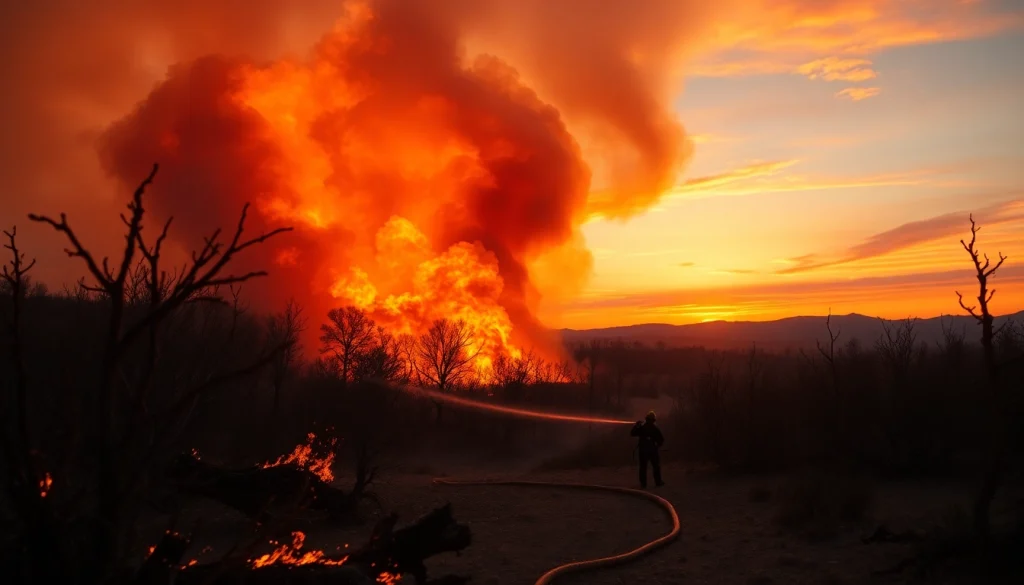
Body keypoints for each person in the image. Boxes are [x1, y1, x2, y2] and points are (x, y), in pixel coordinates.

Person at [630, 410, 664, 488]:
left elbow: (632, 433)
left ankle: (643, 484)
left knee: (643, 467)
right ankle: (658, 482)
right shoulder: (655, 428)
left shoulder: (642, 427)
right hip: (652, 451)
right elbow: (661, 439)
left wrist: (636, 426)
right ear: (653, 420)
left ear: (647, 418)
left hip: (643, 450)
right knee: (655, 466)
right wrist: (657, 445)